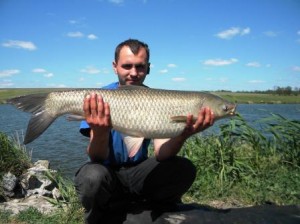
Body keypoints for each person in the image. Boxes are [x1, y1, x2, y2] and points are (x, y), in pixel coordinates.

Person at [74, 39, 215, 223]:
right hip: (108, 172)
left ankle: (154, 211)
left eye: (140, 67)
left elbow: (162, 154)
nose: (133, 73)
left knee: (182, 168)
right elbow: (97, 157)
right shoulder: (98, 99)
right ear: (115, 66)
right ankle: (98, 218)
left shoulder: (158, 100)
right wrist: (100, 132)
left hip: (139, 172)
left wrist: (183, 134)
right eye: (127, 66)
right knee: (92, 176)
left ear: (148, 68)